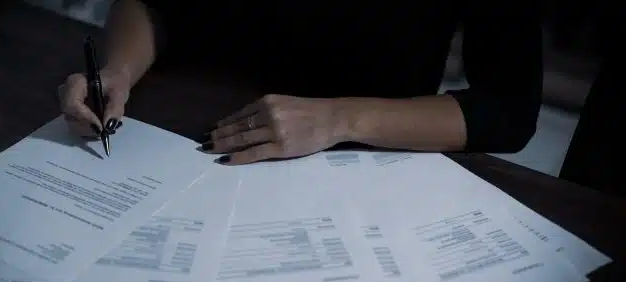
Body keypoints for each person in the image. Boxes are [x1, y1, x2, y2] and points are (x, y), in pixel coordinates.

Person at [59, 0, 542, 165]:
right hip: (185, 132)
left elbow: (509, 109)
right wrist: (118, 70)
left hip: (361, 162)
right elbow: (153, 3)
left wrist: (339, 117)